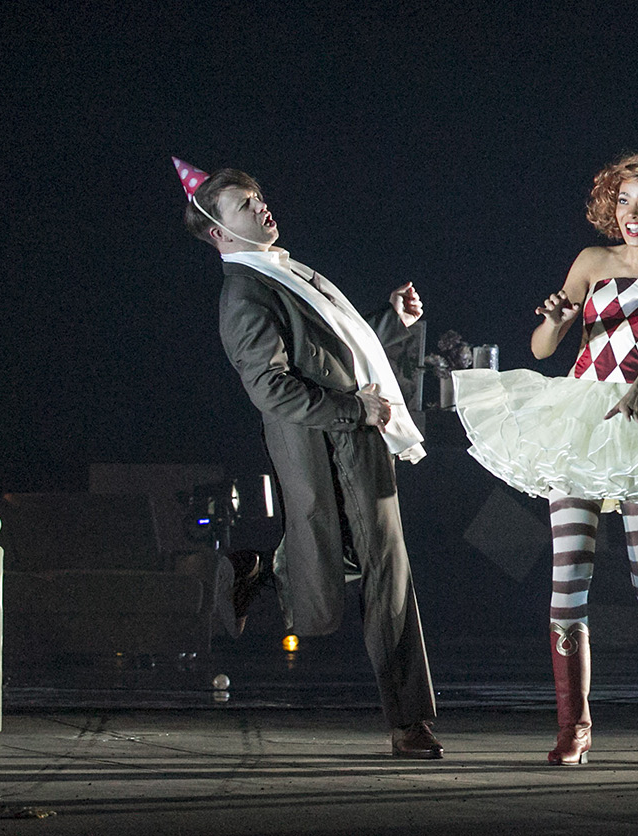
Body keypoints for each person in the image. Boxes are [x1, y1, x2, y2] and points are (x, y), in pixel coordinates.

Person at [452, 148, 638, 766]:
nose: (633, 214)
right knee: (569, 579)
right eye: (623, 201)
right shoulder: (591, 261)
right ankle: (574, 730)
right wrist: (557, 320)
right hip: (580, 417)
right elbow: (541, 349)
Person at [177, 158, 442, 759]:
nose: (261, 207)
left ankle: (261, 571)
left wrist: (390, 324)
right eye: (244, 205)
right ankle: (407, 719)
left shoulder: (285, 270)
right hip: (327, 443)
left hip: (356, 434)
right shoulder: (244, 291)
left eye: (258, 197)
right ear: (218, 233)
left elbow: (336, 350)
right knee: (351, 581)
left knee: (376, 565)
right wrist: (354, 410)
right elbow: (269, 387)